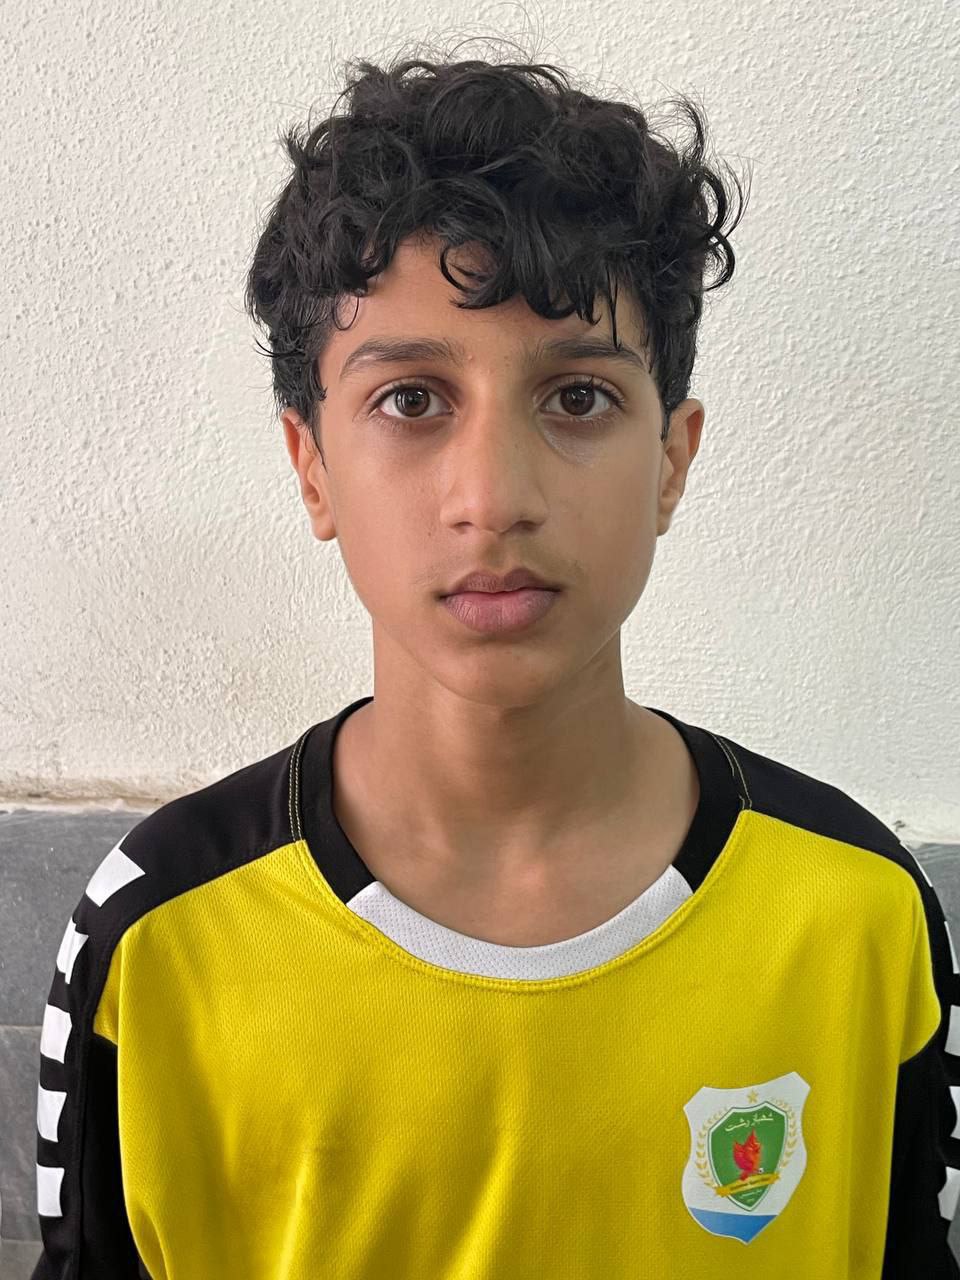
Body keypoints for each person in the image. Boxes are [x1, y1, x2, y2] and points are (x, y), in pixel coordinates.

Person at [30, 36, 959, 1280]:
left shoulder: (858, 909)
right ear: (313, 466)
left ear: (672, 459)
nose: (494, 496)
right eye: (411, 400)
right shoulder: (161, 930)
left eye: (577, 398)